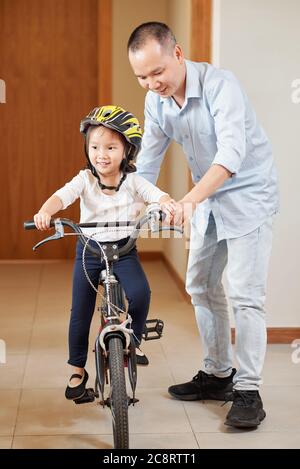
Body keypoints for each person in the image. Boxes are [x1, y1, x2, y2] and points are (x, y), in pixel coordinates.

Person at [127, 22, 279, 429]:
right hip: (209, 196)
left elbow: (231, 155)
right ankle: (217, 376)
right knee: (200, 285)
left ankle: (248, 390)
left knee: (246, 295)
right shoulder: (156, 102)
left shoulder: (220, 86)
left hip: (248, 194)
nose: (151, 83)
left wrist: (189, 200)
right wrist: (130, 204)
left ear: (177, 54)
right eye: (142, 76)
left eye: (157, 72)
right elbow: (148, 163)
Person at [33, 105, 171, 401]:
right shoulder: (85, 179)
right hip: (90, 251)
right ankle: (77, 367)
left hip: (124, 251)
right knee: (80, 312)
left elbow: (155, 195)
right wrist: (46, 211)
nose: (101, 154)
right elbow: (63, 195)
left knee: (142, 292)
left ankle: (132, 337)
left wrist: (167, 205)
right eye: (95, 147)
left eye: (111, 147)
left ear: (127, 150)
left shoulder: (133, 181)